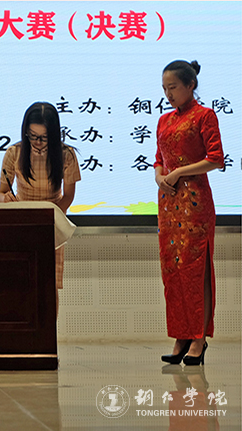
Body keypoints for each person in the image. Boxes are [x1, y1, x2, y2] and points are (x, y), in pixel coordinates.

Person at [155, 60, 224, 366]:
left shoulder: (204, 115)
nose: (168, 94)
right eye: (164, 89)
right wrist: (159, 176)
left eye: (173, 87)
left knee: (196, 270)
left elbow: (216, 159)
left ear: (190, 85)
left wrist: (179, 172)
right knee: (173, 272)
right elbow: (158, 158)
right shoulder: (163, 120)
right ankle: (181, 335)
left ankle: (199, 338)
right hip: (169, 202)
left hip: (195, 201)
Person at [0, 102, 81, 314]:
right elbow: (1, 193)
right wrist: (7, 202)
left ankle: (49, 332)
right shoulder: (14, 153)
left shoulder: (67, 154)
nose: (37, 142)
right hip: (22, 223)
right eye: (32, 136)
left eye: (43, 137)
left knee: (49, 285)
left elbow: (68, 196)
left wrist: (49, 217)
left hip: (51, 225)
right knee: (21, 283)